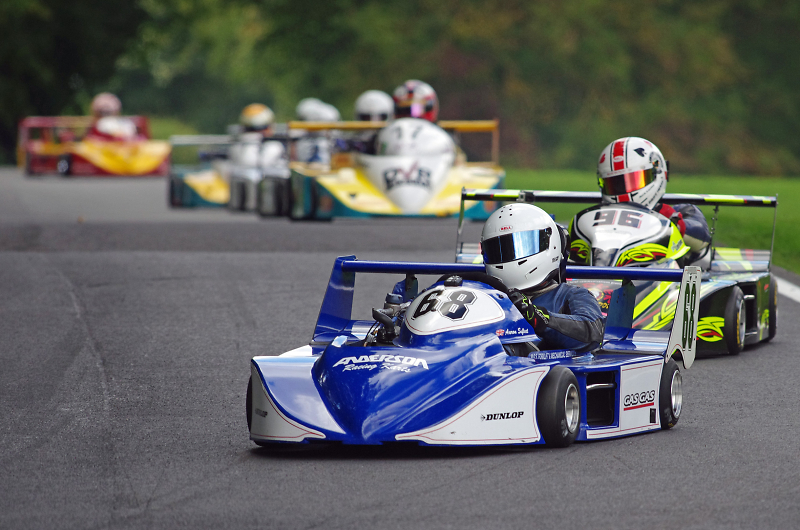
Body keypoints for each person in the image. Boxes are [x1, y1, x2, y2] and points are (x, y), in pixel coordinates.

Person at [481, 203, 605, 353]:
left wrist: (539, 318)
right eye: (498, 250)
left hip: (539, 372)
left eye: (522, 246)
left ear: (549, 244)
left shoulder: (570, 295)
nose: (507, 256)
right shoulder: (484, 296)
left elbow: (592, 333)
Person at [594, 137, 711, 262]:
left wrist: (675, 225)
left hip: (664, 277)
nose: (623, 190)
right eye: (615, 184)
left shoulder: (678, 213)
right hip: (611, 276)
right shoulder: (600, 218)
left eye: (634, 180)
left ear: (657, 173)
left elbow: (702, 235)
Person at [228, 103, 287, 171]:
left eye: (262, 128)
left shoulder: (275, 147)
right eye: (251, 130)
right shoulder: (236, 147)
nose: (255, 134)